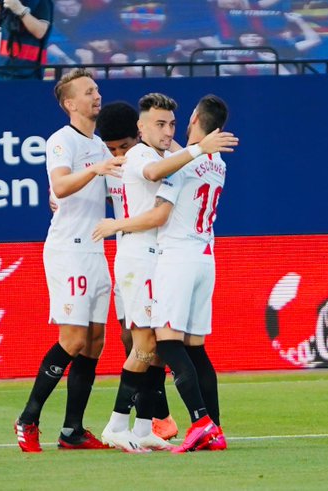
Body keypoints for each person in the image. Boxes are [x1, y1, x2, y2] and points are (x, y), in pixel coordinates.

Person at [92, 94, 235, 453]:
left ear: (193, 120)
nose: (170, 130)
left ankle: (156, 426)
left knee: (160, 345)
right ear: (140, 128)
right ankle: (193, 425)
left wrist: (117, 223)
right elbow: (152, 180)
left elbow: (160, 203)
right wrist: (200, 147)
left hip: (172, 257)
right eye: (160, 124)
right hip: (168, 257)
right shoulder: (197, 159)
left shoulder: (178, 160)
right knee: (161, 346)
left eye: (174, 123)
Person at [14, 68, 126, 452]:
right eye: (88, 91)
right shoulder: (62, 141)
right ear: (70, 103)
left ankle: (72, 431)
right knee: (73, 338)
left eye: (96, 89)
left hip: (95, 248)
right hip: (68, 249)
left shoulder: (99, 145)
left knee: (95, 342)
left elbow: (107, 191)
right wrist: (95, 170)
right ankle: (28, 418)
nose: (97, 96)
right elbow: (60, 184)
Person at [0, 0, 53, 80]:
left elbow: (40, 32)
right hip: (0, 68)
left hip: (27, 71)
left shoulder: (42, 2)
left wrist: (20, 10)